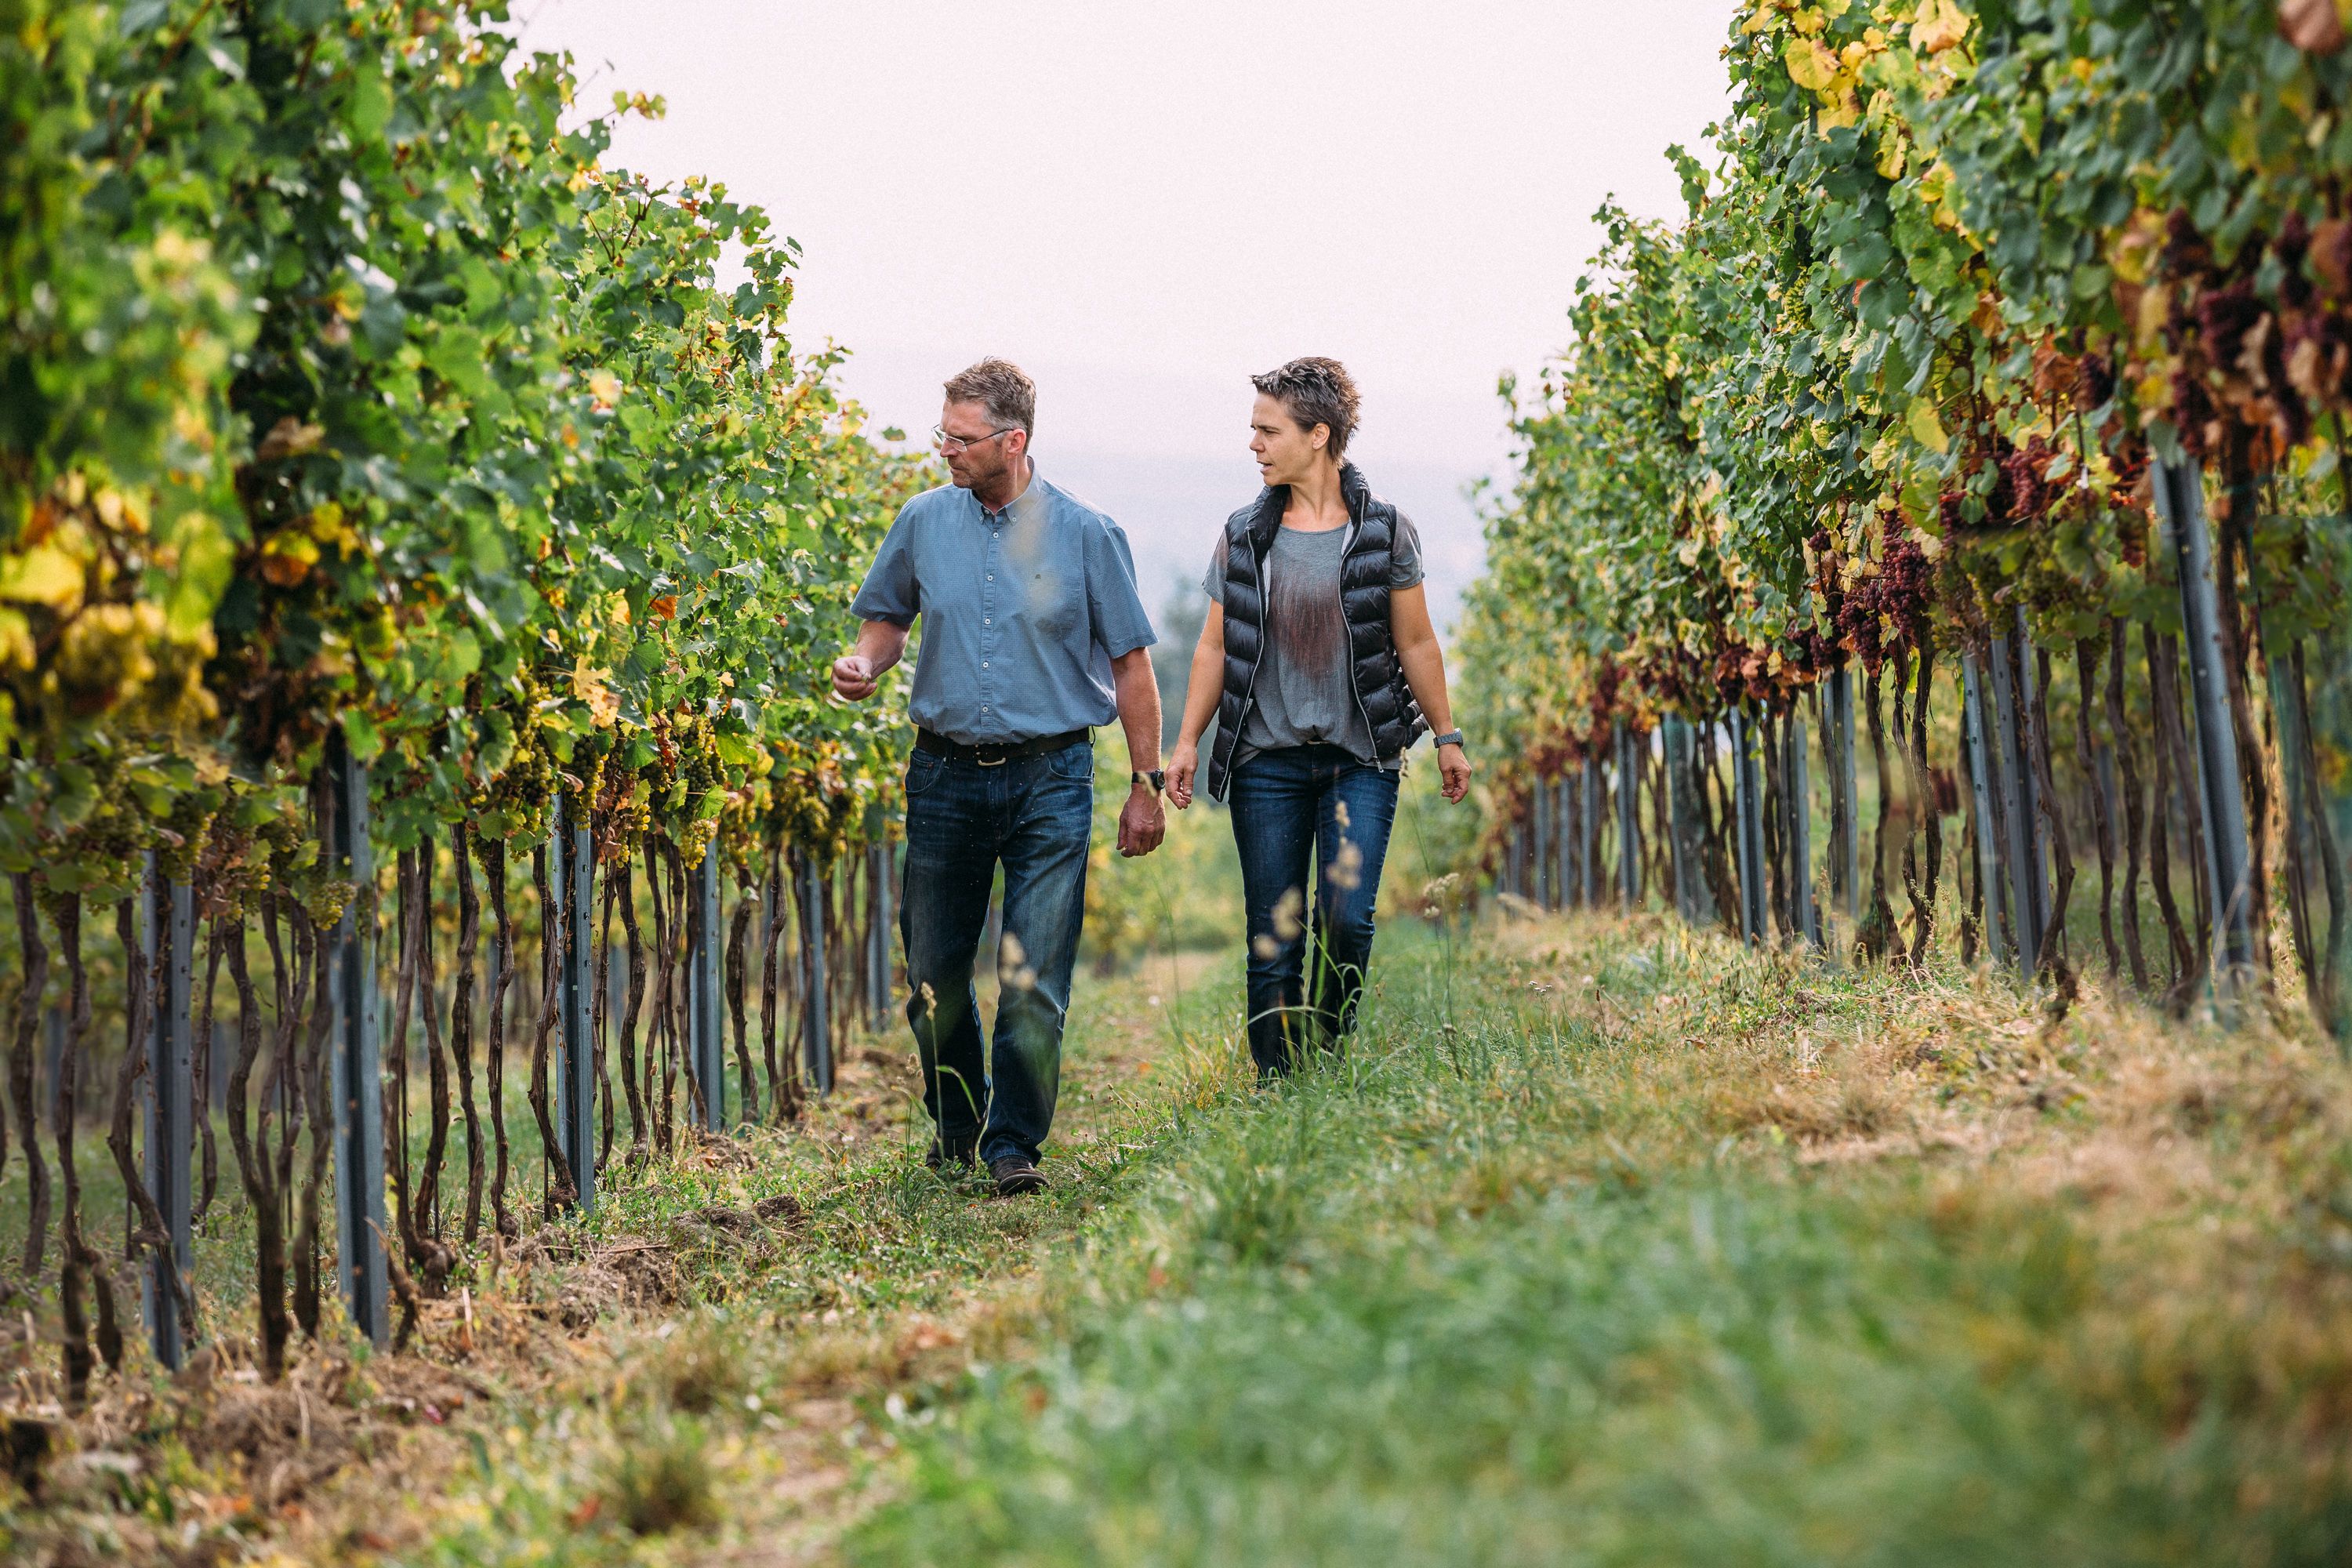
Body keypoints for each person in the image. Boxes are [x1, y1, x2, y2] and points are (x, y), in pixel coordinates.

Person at [833, 358, 1165, 1196]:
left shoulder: (1089, 534)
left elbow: (1131, 666)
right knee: (934, 974)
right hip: (942, 776)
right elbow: (886, 620)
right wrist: (865, 662)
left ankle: (1012, 1141)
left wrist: (1145, 783)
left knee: (1032, 980)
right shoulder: (921, 521)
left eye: (962, 436)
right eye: (942, 431)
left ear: (1013, 442)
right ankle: (957, 1122)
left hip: (1050, 776)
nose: (944, 447)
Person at [1166, 358, 1471, 1078]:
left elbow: (1417, 641)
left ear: (1318, 434)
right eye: (1254, 431)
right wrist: (1185, 742)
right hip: (1264, 760)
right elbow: (1213, 646)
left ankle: (1327, 1055)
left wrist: (1448, 736)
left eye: (1268, 431)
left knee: (1347, 918)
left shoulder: (1386, 532)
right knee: (1274, 932)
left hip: (1360, 758)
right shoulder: (1243, 535)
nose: (1255, 445)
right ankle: (1278, 1078)